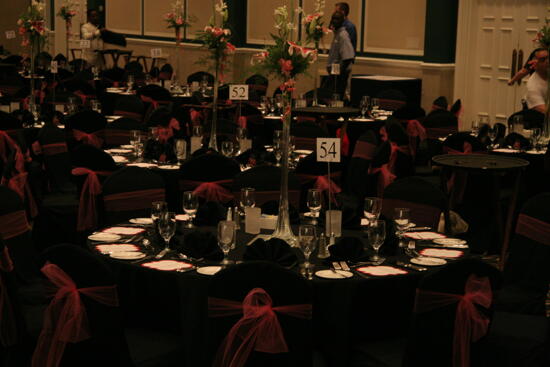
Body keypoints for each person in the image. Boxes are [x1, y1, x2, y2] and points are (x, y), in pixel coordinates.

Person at [326, 11, 355, 101]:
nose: (334, 21)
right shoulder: (337, 34)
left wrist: (336, 74)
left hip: (339, 77)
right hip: (335, 76)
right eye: (333, 18)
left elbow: (348, 57)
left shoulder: (343, 35)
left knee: (336, 101)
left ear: (342, 21)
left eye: (337, 19)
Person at [525, 48, 548, 115]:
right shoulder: (532, 86)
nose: (547, 61)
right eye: (543, 59)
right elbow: (545, 111)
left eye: (548, 58)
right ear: (535, 65)